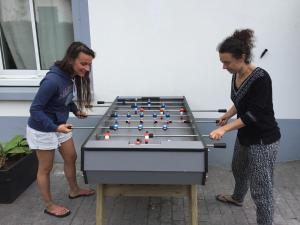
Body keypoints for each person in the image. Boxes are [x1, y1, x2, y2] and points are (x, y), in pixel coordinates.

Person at [209, 29, 281, 225]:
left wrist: (224, 129)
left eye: (226, 62)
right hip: (245, 135)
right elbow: (241, 102)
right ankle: (238, 198)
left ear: (241, 58)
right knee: (238, 168)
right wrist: (227, 115)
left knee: (261, 189)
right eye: (222, 62)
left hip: (263, 140)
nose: (224, 67)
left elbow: (253, 114)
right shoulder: (236, 74)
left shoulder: (261, 78)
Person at [26, 42, 96, 217]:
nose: (87, 68)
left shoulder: (69, 76)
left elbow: (65, 97)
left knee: (71, 157)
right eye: (83, 63)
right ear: (71, 60)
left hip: (59, 126)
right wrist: (54, 126)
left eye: (89, 64)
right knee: (45, 168)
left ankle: (74, 190)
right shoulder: (52, 80)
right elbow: (35, 109)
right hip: (43, 129)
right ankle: (49, 205)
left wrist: (74, 111)